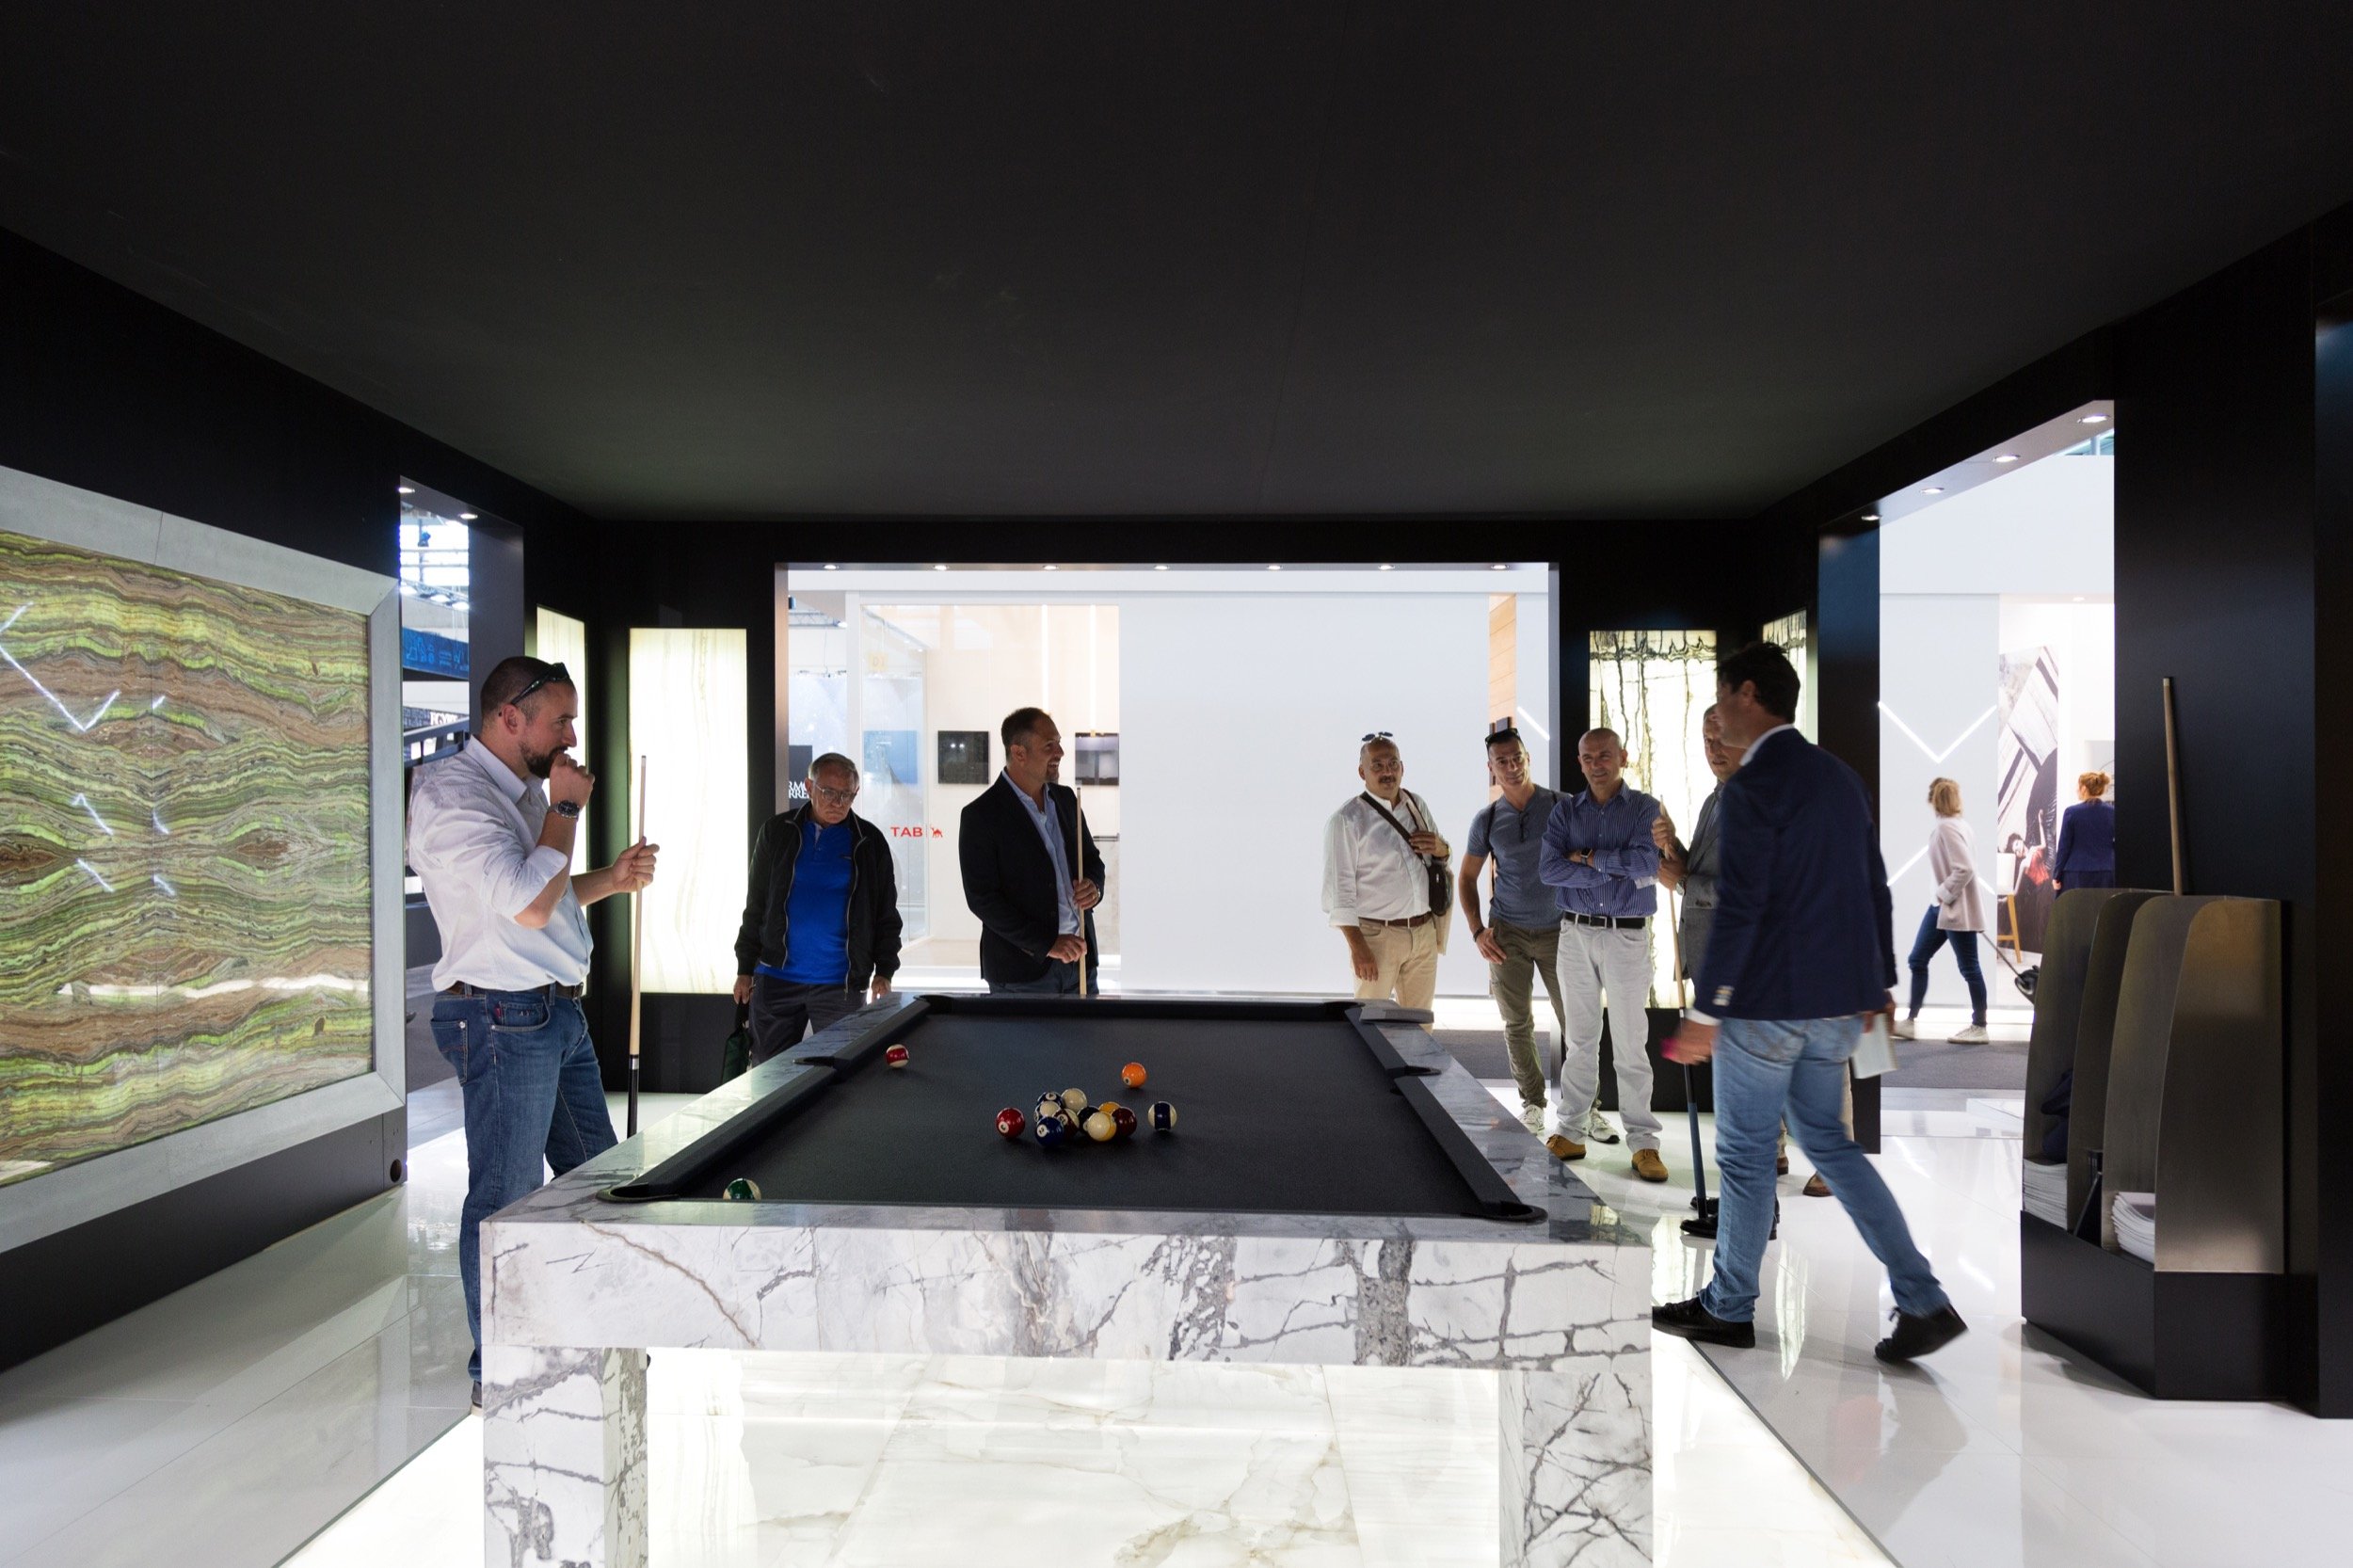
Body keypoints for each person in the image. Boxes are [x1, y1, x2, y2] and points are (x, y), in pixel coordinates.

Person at [1654, 641, 1964, 1364]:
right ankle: (1922, 1297)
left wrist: (1708, 1008)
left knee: (1745, 1156)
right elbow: (1873, 885)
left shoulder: (1752, 787)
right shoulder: (1838, 777)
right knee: (1830, 1144)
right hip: (1835, 1006)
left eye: (1722, 698)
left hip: (1765, 1007)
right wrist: (1877, 986)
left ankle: (1729, 1305)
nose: (1719, 716)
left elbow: (1742, 904)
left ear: (1748, 695)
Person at [406, 657, 658, 1404]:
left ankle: (600, 1336)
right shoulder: (453, 796)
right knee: (506, 1198)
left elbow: (541, 894)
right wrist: (567, 809)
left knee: (598, 1182)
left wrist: (611, 879)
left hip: (551, 1012)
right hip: (501, 1018)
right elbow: (527, 903)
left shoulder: (516, 794)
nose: (571, 736)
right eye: (561, 721)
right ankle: (500, 1373)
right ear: (509, 717)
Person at [1537, 728, 1670, 1182]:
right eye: (1588, 757)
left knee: (1631, 1042)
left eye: (1605, 755)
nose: (1597, 764)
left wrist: (1588, 858)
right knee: (1579, 1040)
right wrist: (1608, 870)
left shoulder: (1645, 808)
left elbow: (1647, 864)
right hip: (1574, 933)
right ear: (1580, 762)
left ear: (1623, 757)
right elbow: (1549, 869)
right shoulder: (1564, 812)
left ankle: (1644, 1142)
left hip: (1626, 936)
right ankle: (1571, 1131)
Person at [731, 752, 903, 1063]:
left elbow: (885, 914)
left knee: (839, 1073)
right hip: (776, 978)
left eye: (847, 794)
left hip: (840, 984)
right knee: (769, 1075)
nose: (838, 802)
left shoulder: (869, 842)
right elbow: (756, 905)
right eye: (829, 792)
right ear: (809, 787)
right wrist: (745, 968)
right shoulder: (777, 832)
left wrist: (885, 970)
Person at [1459, 728, 1570, 1135]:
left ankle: (1584, 1108)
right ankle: (1533, 1103)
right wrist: (1477, 931)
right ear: (1491, 768)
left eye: (1517, 757)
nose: (1511, 766)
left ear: (1528, 758)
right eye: (1502, 761)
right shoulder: (1487, 819)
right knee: (1517, 1022)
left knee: (1576, 1023)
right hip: (1507, 933)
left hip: (1561, 931)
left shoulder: (1561, 805)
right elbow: (1466, 877)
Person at [959, 707, 1105, 995]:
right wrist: (1047, 944)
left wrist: (1093, 886)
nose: (1060, 752)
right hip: (1021, 975)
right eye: (1049, 746)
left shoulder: (1066, 800)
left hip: (1080, 966)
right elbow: (982, 899)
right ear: (1019, 753)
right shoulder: (981, 815)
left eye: (1058, 743)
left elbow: (1092, 860)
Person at [1324, 732, 1450, 1010]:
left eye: (1393, 764)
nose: (1387, 772)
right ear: (1362, 772)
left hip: (1423, 934)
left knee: (1420, 1024)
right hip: (1377, 938)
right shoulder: (1347, 820)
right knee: (1371, 1022)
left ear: (1402, 768)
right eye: (1378, 766)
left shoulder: (1416, 805)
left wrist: (1443, 848)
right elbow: (1340, 891)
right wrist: (1358, 948)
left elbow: (1440, 859)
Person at [1896, 776, 1991, 1045]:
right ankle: (1910, 1022)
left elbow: (1965, 868)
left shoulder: (1948, 828)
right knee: (1918, 959)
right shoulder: (1959, 826)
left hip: (1952, 907)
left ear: (1934, 800)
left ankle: (1980, 1026)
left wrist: (1943, 892)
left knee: (1969, 967)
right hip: (1940, 907)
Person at [2052, 770, 2117, 892]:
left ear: (2084, 788)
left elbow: (2064, 847)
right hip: (2106, 871)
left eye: (2078, 786)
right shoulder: (2112, 812)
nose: (2076, 789)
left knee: (2077, 905)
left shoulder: (2072, 812)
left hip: (2077, 872)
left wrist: (2057, 875)